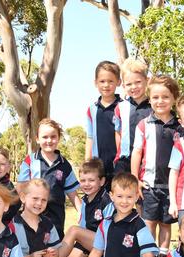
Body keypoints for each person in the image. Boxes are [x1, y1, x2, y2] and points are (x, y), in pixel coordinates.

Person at [131, 75, 182, 257]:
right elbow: (136, 152)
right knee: (148, 223)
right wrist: (135, 179)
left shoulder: (180, 127)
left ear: (173, 98)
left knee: (166, 225)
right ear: (149, 98)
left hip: (170, 187)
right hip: (149, 185)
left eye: (165, 97)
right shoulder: (144, 125)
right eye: (156, 97)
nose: (160, 101)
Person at [58, 158, 114, 257]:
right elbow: (82, 225)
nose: (86, 184)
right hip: (88, 241)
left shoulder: (106, 200)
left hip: (104, 243)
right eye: (82, 180)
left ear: (102, 181)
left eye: (91, 180)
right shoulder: (84, 201)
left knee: (74, 231)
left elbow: (110, 230)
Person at [17, 118, 80, 238]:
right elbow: (21, 188)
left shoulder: (64, 164)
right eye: (45, 137)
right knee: (33, 248)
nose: (49, 140)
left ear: (58, 138)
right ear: (37, 139)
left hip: (56, 218)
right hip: (33, 215)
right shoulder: (30, 161)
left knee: (54, 251)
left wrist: (82, 214)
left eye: (53, 136)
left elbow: (73, 194)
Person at [86, 60, 122, 188]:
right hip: (98, 167)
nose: (106, 85)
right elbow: (90, 137)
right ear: (95, 82)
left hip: (118, 165)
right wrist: (87, 163)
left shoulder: (123, 107)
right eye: (102, 81)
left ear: (119, 82)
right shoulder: (92, 109)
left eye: (110, 81)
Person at [114, 58, 152, 175]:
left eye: (138, 82)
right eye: (129, 84)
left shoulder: (154, 106)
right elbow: (118, 133)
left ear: (147, 80)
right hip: (125, 161)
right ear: (123, 85)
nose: (133, 87)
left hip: (147, 161)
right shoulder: (120, 107)